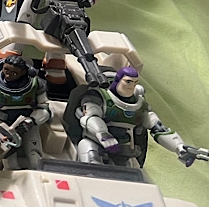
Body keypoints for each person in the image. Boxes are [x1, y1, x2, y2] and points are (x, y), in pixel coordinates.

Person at [76, 67, 205, 168]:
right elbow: (90, 117)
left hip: (123, 151)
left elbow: (159, 129)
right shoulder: (100, 96)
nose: (131, 86)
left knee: (131, 175)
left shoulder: (140, 105)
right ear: (118, 80)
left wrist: (178, 147)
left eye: (135, 82)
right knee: (91, 159)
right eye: (128, 81)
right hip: (95, 143)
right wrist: (102, 133)